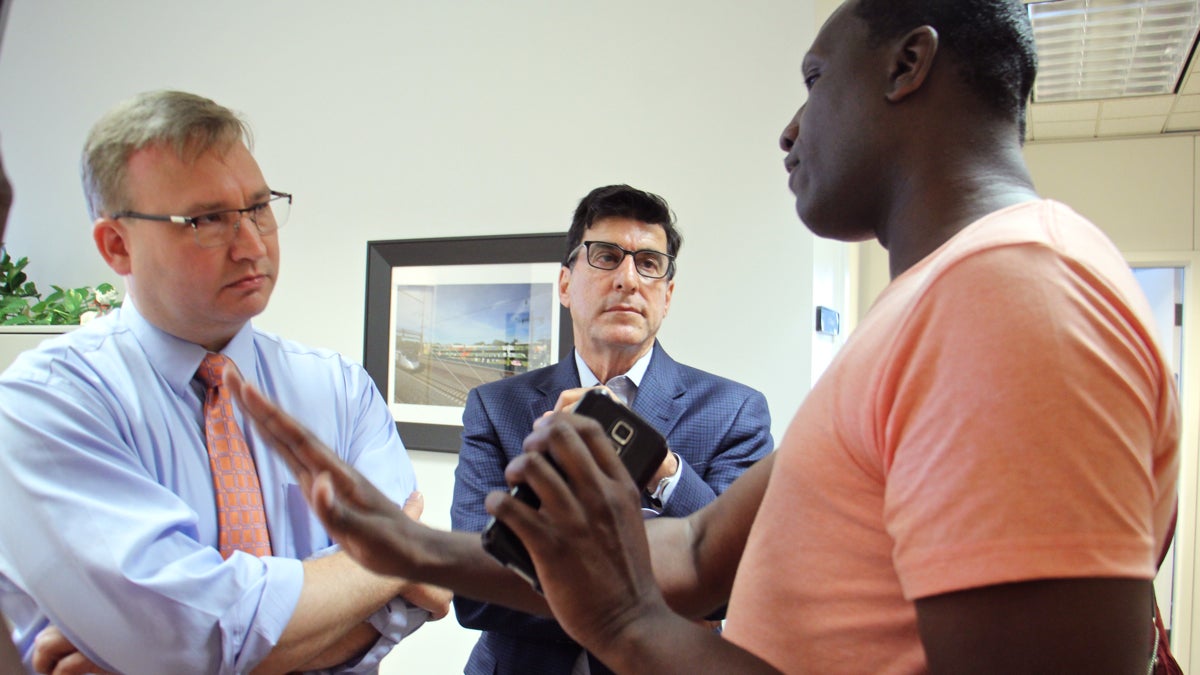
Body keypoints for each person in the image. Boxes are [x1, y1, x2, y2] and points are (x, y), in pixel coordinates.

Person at [225, 0, 1182, 672]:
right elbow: (692, 552)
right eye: (603, 260)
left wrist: (631, 627)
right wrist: (414, 546)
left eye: (814, 78)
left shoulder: (1013, 293)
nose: (790, 126)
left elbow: (661, 589)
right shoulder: (928, 310)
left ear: (908, 64)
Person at [0, 90, 450, 674]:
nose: (253, 245)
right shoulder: (47, 403)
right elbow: (188, 637)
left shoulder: (338, 389)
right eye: (207, 219)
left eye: (259, 208)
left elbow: (422, 601)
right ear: (117, 246)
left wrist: (158, 658)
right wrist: (395, 558)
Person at [450, 184, 773, 673]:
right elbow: (476, 592)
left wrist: (656, 464)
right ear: (564, 284)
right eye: (605, 256)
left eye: (649, 263)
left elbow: (739, 583)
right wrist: (656, 605)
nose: (628, 278)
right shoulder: (497, 408)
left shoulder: (733, 411)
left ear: (667, 295)